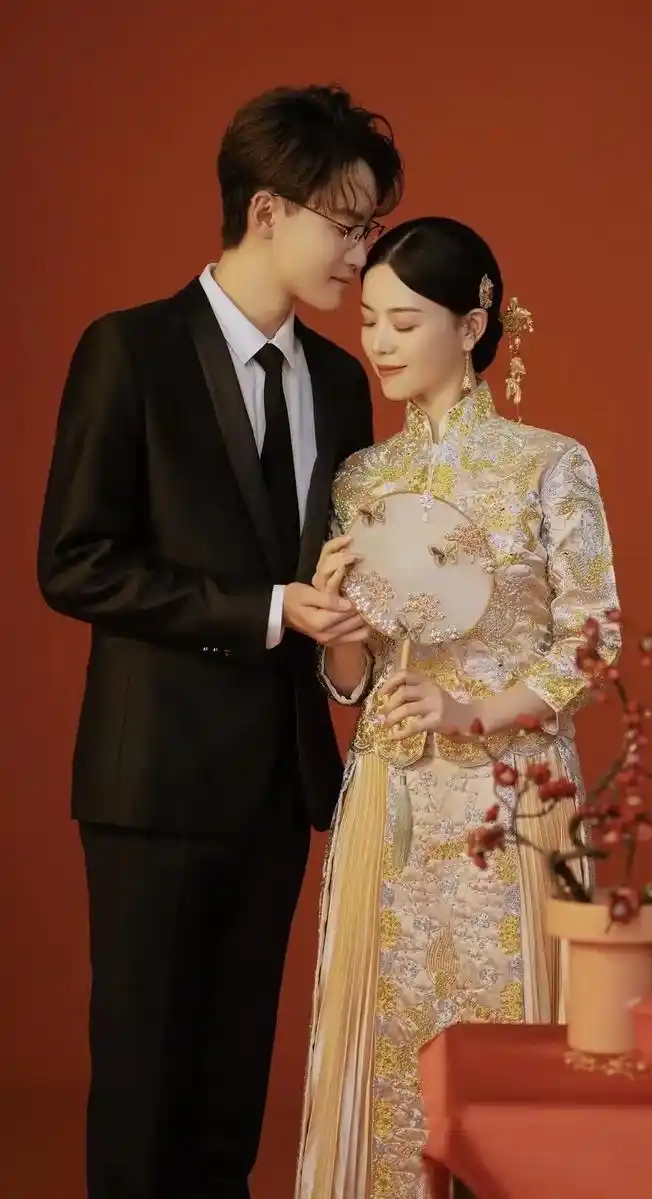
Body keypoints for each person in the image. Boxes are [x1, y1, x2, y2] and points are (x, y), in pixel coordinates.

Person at [37, 85, 403, 1199]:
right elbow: (75, 561)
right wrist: (268, 608)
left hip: (278, 783)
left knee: (230, 1097)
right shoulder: (130, 350)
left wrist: (347, 622)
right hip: (151, 782)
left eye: (369, 229)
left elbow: (331, 570)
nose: (360, 256)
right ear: (265, 210)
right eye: (346, 225)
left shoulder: (338, 382)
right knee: (143, 1092)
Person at [295, 217, 621, 1197]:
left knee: (510, 1038)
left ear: (472, 324)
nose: (379, 342)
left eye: (404, 322)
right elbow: (348, 679)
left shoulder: (547, 463)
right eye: (369, 321)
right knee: (387, 1052)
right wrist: (337, 624)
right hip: (389, 801)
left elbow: (593, 641)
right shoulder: (362, 478)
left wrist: (469, 711)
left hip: (509, 801)